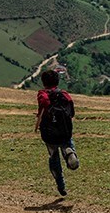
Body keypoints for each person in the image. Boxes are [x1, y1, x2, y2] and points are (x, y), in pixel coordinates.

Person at [34, 69, 79, 197]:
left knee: (53, 157)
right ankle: (69, 152)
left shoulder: (42, 94)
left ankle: (60, 184)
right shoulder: (64, 94)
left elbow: (43, 108)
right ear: (57, 81)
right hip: (64, 131)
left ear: (43, 82)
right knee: (67, 144)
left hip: (49, 134)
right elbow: (71, 113)